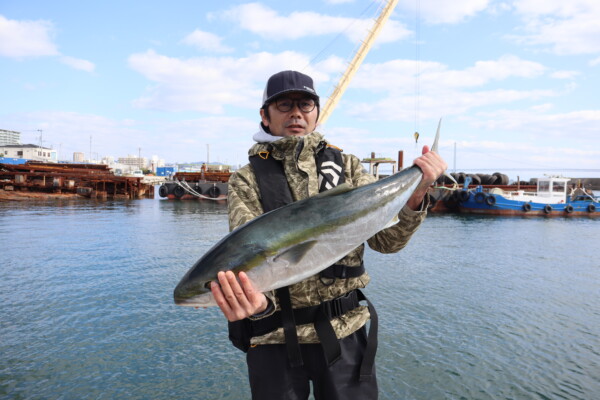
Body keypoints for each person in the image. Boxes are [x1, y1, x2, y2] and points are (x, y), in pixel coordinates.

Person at [210, 70, 447, 399]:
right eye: (284, 105)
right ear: (264, 116)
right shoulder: (247, 179)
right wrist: (254, 304)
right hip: (273, 338)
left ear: (317, 114)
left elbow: (387, 242)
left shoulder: (347, 167)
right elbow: (248, 255)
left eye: (306, 104)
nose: (296, 112)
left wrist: (417, 194)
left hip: (344, 331)